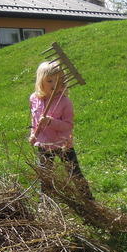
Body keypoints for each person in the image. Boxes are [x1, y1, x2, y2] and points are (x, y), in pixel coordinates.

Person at [29, 60, 93, 199]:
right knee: (45, 176)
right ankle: (46, 204)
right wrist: (33, 134)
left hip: (63, 144)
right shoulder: (34, 99)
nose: (54, 84)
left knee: (74, 173)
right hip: (44, 145)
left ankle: (89, 200)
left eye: (58, 80)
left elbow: (68, 125)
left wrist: (51, 122)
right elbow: (33, 119)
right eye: (50, 80)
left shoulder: (65, 102)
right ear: (41, 81)